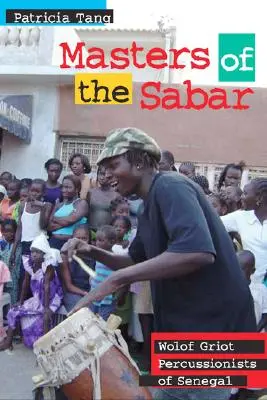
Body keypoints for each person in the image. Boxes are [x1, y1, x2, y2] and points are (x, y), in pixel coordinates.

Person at [62, 127, 256, 400]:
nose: (106, 176)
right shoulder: (146, 204)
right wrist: (90, 250)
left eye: (113, 165)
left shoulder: (171, 186)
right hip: (184, 329)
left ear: (140, 161)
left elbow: (198, 252)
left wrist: (116, 280)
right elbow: (134, 259)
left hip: (214, 330)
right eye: (103, 169)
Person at [0, 233, 63, 351]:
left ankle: (45, 349)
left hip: (51, 299)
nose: (34, 254)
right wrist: (21, 300)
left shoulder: (48, 267)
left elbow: (47, 286)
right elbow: (25, 283)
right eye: (33, 251)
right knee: (13, 311)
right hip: (38, 297)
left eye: (38, 252)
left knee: (45, 318)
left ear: (44, 254)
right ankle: (8, 342)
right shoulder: (30, 264)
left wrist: (46, 308)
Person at [221, 178, 267, 283]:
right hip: (248, 285)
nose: (241, 197)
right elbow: (212, 222)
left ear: (259, 198)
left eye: (245, 194)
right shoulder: (240, 217)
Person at [12, 179, 52, 258]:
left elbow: (42, 225)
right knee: (25, 268)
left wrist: (42, 207)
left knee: (39, 269)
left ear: (43, 193)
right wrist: (14, 250)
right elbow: (19, 228)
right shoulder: (23, 206)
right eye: (32, 191)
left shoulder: (47, 205)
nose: (34, 194)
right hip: (25, 243)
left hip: (40, 244)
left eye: (37, 191)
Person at [48, 175, 88, 250]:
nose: (63, 190)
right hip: (54, 242)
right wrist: (65, 221)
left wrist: (55, 219)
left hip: (70, 244)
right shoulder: (59, 205)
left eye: (68, 187)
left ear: (77, 189)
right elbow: (49, 226)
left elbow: (71, 220)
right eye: (63, 187)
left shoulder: (81, 203)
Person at [61, 224, 94, 312]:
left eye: (84, 238)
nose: (80, 241)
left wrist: (90, 294)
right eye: (78, 238)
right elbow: (68, 286)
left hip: (91, 291)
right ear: (72, 239)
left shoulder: (94, 254)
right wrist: (85, 294)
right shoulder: (65, 255)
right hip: (72, 292)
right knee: (79, 309)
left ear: (89, 239)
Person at [89, 225, 117, 321]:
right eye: (96, 240)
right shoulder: (98, 255)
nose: (97, 243)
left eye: (101, 240)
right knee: (91, 321)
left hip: (107, 298)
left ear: (112, 242)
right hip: (94, 294)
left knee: (102, 324)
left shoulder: (113, 258)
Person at [88, 165, 118, 232]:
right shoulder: (91, 192)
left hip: (107, 233)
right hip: (91, 230)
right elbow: (87, 213)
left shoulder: (116, 194)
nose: (102, 177)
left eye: (104, 174)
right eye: (100, 174)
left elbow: (118, 216)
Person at [0, 219, 21, 305]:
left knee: (12, 300)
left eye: (12, 231)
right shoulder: (1, 244)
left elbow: (17, 261)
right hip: (2, 278)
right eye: (6, 231)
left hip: (13, 278)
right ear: (3, 232)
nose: (9, 234)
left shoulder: (18, 246)